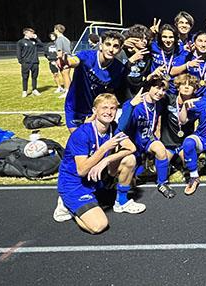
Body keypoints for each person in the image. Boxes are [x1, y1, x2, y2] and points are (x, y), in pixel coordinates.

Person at [53, 93, 145, 234]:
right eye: (104, 108)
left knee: (129, 159)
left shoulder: (113, 128)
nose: (108, 112)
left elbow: (131, 148)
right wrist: (105, 148)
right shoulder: (81, 134)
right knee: (99, 226)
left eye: (113, 108)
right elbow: (82, 171)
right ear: (95, 111)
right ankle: (69, 207)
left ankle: (121, 202)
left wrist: (107, 159)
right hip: (75, 183)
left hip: (96, 178)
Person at [118, 76, 175, 199]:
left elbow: (157, 117)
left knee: (160, 148)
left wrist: (158, 130)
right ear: (149, 87)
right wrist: (131, 105)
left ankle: (162, 183)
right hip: (133, 143)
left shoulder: (159, 103)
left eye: (163, 90)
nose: (160, 92)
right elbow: (122, 126)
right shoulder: (134, 103)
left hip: (148, 139)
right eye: (157, 87)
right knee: (132, 180)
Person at [62, 31, 127, 132]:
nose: (111, 49)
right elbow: (75, 61)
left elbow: (109, 91)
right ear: (100, 45)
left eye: (115, 46)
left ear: (119, 50)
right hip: (75, 107)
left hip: (95, 110)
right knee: (79, 138)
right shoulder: (86, 56)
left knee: (96, 140)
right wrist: (67, 61)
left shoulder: (118, 68)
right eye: (108, 44)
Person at [16, 27, 42, 97]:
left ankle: (34, 89)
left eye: (33, 33)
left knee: (34, 77)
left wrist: (36, 38)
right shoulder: (21, 42)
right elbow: (18, 53)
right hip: (26, 63)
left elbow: (41, 45)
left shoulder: (34, 41)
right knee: (25, 77)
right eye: (31, 33)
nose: (32, 34)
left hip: (35, 62)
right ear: (25, 33)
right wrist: (21, 61)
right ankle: (24, 91)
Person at [54, 24, 72, 99]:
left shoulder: (59, 39)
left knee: (65, 75)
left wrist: (59, 61)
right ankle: (69, 90)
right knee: (67, 75)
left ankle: (68, 91)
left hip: (64, 58)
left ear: (57, 30)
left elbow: (59, 51)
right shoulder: (66, 39)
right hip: (68, 58)